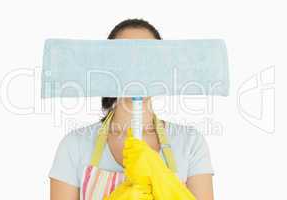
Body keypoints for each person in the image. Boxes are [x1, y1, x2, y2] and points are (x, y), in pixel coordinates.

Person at [49, 18, 214, 200]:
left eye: (148, 59)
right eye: (125, 59)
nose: (137, 70)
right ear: (108, 69)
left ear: (162, 69)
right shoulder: (74, 146)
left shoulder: (190, 143)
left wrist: (159, 176)